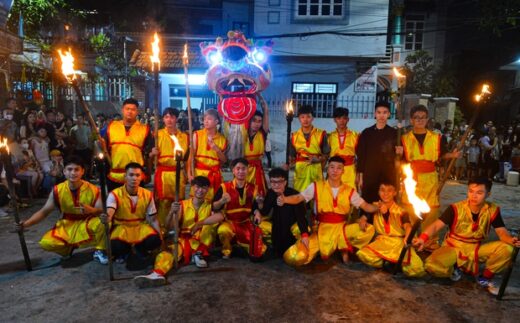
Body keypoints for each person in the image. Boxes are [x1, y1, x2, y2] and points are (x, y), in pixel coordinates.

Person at [413, 177, 520, 295]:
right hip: (453, 247)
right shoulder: (455, 208)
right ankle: (454, 268)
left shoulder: (492, 209)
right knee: (431, 265)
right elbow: (436, 226)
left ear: (488, 194)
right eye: (471, 191)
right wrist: (423, 238)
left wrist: (511, 240)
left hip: (475, 249)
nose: (474, 196)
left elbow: (502, 232)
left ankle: (485, 278)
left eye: (479, 193)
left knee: (507, 249)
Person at [279, 156, 379, 266]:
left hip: (342, 230)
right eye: (332, 167)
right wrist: (285, 199)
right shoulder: (316, 186)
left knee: (369, 229)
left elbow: (365, 206)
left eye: (339, 168)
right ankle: (324, 248)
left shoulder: (349, 190)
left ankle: (342, 247)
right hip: (321, 230)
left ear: (343, 171)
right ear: (328, 168)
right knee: (298, 257)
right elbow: (298, 198)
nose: (335, 171)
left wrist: (379, 206)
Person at [13, 156, 108, 263]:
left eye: (76, 169)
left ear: (82, 172)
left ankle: (101, 250)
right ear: (64, 171)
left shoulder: (94, 189)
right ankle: (66, 249)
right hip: (67, 224)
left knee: (103, 222)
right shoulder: (57, 190)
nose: (73, 173)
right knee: (47, 243)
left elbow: (101, 211)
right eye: (69, 169)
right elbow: (44, 212)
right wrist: (25, 224)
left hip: (87, 221)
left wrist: (92, 211)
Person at [133, 176, 225, 287]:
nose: (200, 190)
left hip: (202, 241)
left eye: (204, 188)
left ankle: (198, 253)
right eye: (197, 187)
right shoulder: (182, 205)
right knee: (168, 254)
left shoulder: (210, 205)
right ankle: (157, 274)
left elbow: (220, 216)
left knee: (209, 226)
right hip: (183, 240)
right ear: (192, 187)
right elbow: (168, 226)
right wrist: (172, 212)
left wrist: (200, 223)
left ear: (208, 189)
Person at [401, 105, 459, 251]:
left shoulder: (438, 138)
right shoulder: (403, 139)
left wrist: (452, 155)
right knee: (410, 208)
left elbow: (442, 155)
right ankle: (412, 239)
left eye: (422, 117)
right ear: (411, 120)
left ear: (427, 119)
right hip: (411, 179)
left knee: (432, 210)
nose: (420, 120)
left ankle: (429, 241)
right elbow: (400, 161)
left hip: (431, 178)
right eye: (416, 118)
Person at [356, 180, 425, 277]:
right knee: (363, 254)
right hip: (382, 242)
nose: (385, 194)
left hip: (399, 243)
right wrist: (362, 221)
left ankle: (391, 263)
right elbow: (363, 218)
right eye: (382, 190)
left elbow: (407, 226)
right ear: (378, 192)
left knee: (416, 270)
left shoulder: (401, 211)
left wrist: (408, 236)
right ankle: (388, 262)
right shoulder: (375, 206)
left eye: (389, 191)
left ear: (395, 192)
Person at [106, 162, 162, 268]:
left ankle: (138, 248)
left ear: (142, 177)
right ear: (125, 176)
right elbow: (110, 212)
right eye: (131, 175)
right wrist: (107, 217)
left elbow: (153, 219)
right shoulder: (114, 194)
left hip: (140, 226)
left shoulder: (147, 194)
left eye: (137, 175)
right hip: (122, 227)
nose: (134, 178)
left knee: (155, 240)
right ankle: (126, 252)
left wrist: (160, 237)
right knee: (115, 246)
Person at [213, 158, 266, 259]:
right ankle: (226, 250)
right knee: (223, 230)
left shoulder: (253, 187)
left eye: (243, 169)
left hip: (246, 222)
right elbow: (214, 206)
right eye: (238, 169)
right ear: (233, 170)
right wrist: (221, 201)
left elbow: (255, 207)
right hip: (230, 222)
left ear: (248, 170)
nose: (241, 171)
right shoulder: (224, 187)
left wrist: (258, 211)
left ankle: (254, 246)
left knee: (267, 227)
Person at [254, 168, 309, 257]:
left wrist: (305, 234)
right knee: (257, 223)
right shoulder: (271, 193)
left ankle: (299, 248)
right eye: (273, 182)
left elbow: (301, 217)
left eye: (279, 182)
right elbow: (265, 211)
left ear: (285, 182)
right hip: (276, 227)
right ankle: (264, 247)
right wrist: (259, 207)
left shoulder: (294, 194)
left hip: (292, 228)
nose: (276, 185)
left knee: (299, 231)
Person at [149, 108, 190, 229]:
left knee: (178, 202)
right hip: (163, 174)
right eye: (166, 117)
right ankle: (162, 228)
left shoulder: (184, 137)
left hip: (178, 173)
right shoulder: (157, 135)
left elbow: (187, 158)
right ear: (163, 119)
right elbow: (149, 156)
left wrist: (188, 173)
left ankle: (176, 227)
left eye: (172, 117)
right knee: (163, 202)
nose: (169, 120)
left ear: (176, 119)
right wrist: (152, 153)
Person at [104, 98, 154, 192]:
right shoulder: (112, 126)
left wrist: (148, 172)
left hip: (136, 176)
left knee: (136, 205)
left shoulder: (144, 129)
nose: (130, 111)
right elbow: (104, 148)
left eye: (133, 109)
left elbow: (148, 154)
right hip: (115, 175)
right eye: (127, 109)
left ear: (137, 111)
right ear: (122, 110)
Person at [356, 102, 400, 205]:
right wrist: (360, 176)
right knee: (369, 200)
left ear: (389, 114)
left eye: (385, 112)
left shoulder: (394, 134)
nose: (381, 115)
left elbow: (398, 157)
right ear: (375, 114)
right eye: (379, 112)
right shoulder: (366, 133)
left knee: (387, 202)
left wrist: (400, 153)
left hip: (388, 174)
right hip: (370, 174)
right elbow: (361, 155)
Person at [288, 105, 330, 193]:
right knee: (300, 197)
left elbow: (326, 155)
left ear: (312, 118)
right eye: (302, 117)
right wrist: (289, 164)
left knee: (317, 197)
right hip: (300, 171)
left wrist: (318, 160)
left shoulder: (321, 134)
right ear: (299, 119)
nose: (305, 120)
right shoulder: (294, 136)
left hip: (316, 169)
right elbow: (292, 157)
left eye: (308, 117)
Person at [189, 109, 227, 201]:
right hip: (199, 173)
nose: (206, 121)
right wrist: (189, 174)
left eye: (209, 119)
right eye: (204, 118)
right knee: (198, 200)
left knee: (213, 201)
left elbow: (224, 160)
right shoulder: (197, 135)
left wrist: (216, 148)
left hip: (215, 174)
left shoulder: (223, 139)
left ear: (216, 122)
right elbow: (191, 157)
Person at [244, 95, 269, 196]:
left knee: (258, 195)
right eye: (254, 120)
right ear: (249, 121)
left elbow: (266, 111)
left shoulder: (262, 133)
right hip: (243, 168)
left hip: (257, 169)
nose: (257, 124)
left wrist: (259, 95)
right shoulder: (241, 133)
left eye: (259, 121)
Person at [328, 107, 358, 188]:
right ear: (334, 120)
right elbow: (326, 155)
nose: (341, 121)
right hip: (334, 170)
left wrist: (359, 174)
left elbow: (361, 156)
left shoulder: (355, 136)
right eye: (339, 118)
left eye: (344, 118)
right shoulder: (330, 137)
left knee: (350, 196)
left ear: (348, 119)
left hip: (350, 171)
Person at [70, 114, 93, 179]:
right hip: (77, 149)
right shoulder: (73, 129)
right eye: (78, 119)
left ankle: (86, 176)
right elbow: (71, 139)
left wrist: (89, 147)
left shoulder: (87, 128)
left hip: (86, 149)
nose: (79, 120)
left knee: (86, 164)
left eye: (81, 119)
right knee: (78, 163)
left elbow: (90, 138)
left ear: (83, 120)